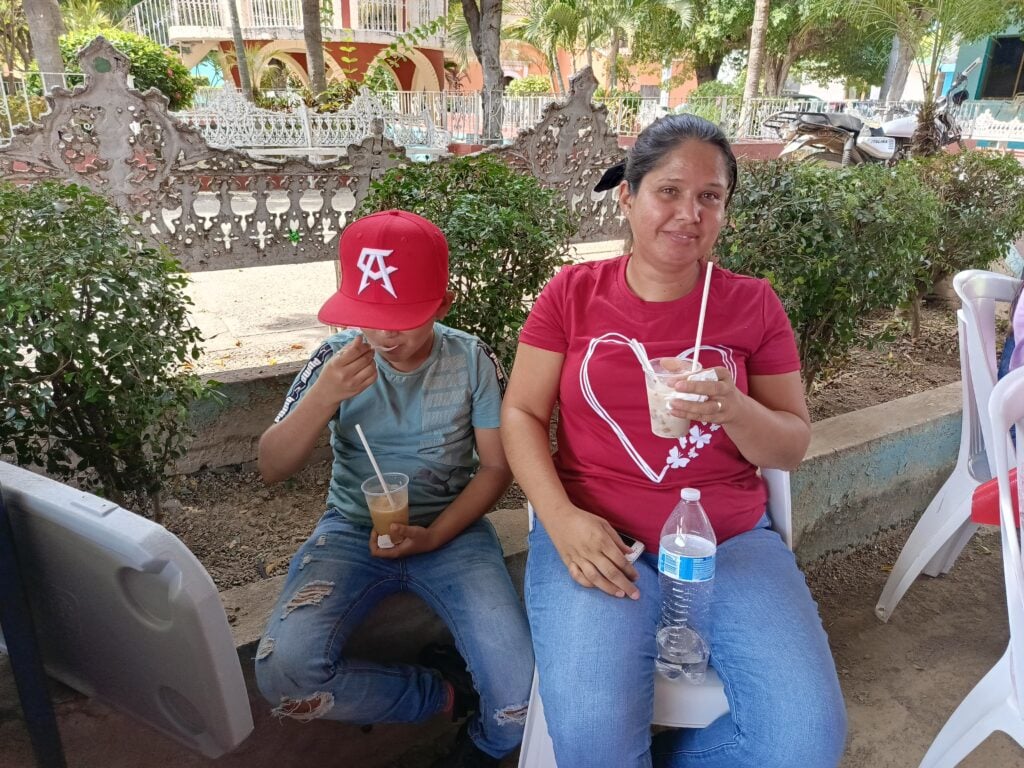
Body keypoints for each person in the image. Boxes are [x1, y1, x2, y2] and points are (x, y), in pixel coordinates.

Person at [501, 114, 847, 768]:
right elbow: (519, 413)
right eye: (669, 191)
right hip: (598, 538)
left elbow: (789, 445)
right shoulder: (571, 294)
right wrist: (562, 518)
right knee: (597, 743)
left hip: (728, 542)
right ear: (628, 197)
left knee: (805, 743)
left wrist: (734, 407)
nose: (689, 213)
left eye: (710, 197)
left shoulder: (753, 305)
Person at [254, 209, 533, 768]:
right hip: (352, 531)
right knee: (285, 670)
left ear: (443, 304)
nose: (384, 334)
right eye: (368, 315)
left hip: (452, 534)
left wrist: (434, 537)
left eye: (403, 317)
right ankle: (446, 693)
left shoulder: (471, 359)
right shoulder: (335, 362)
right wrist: (323, 397)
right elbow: (271, 466)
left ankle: (481, 745)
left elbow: (496, 469)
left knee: (521, 700)